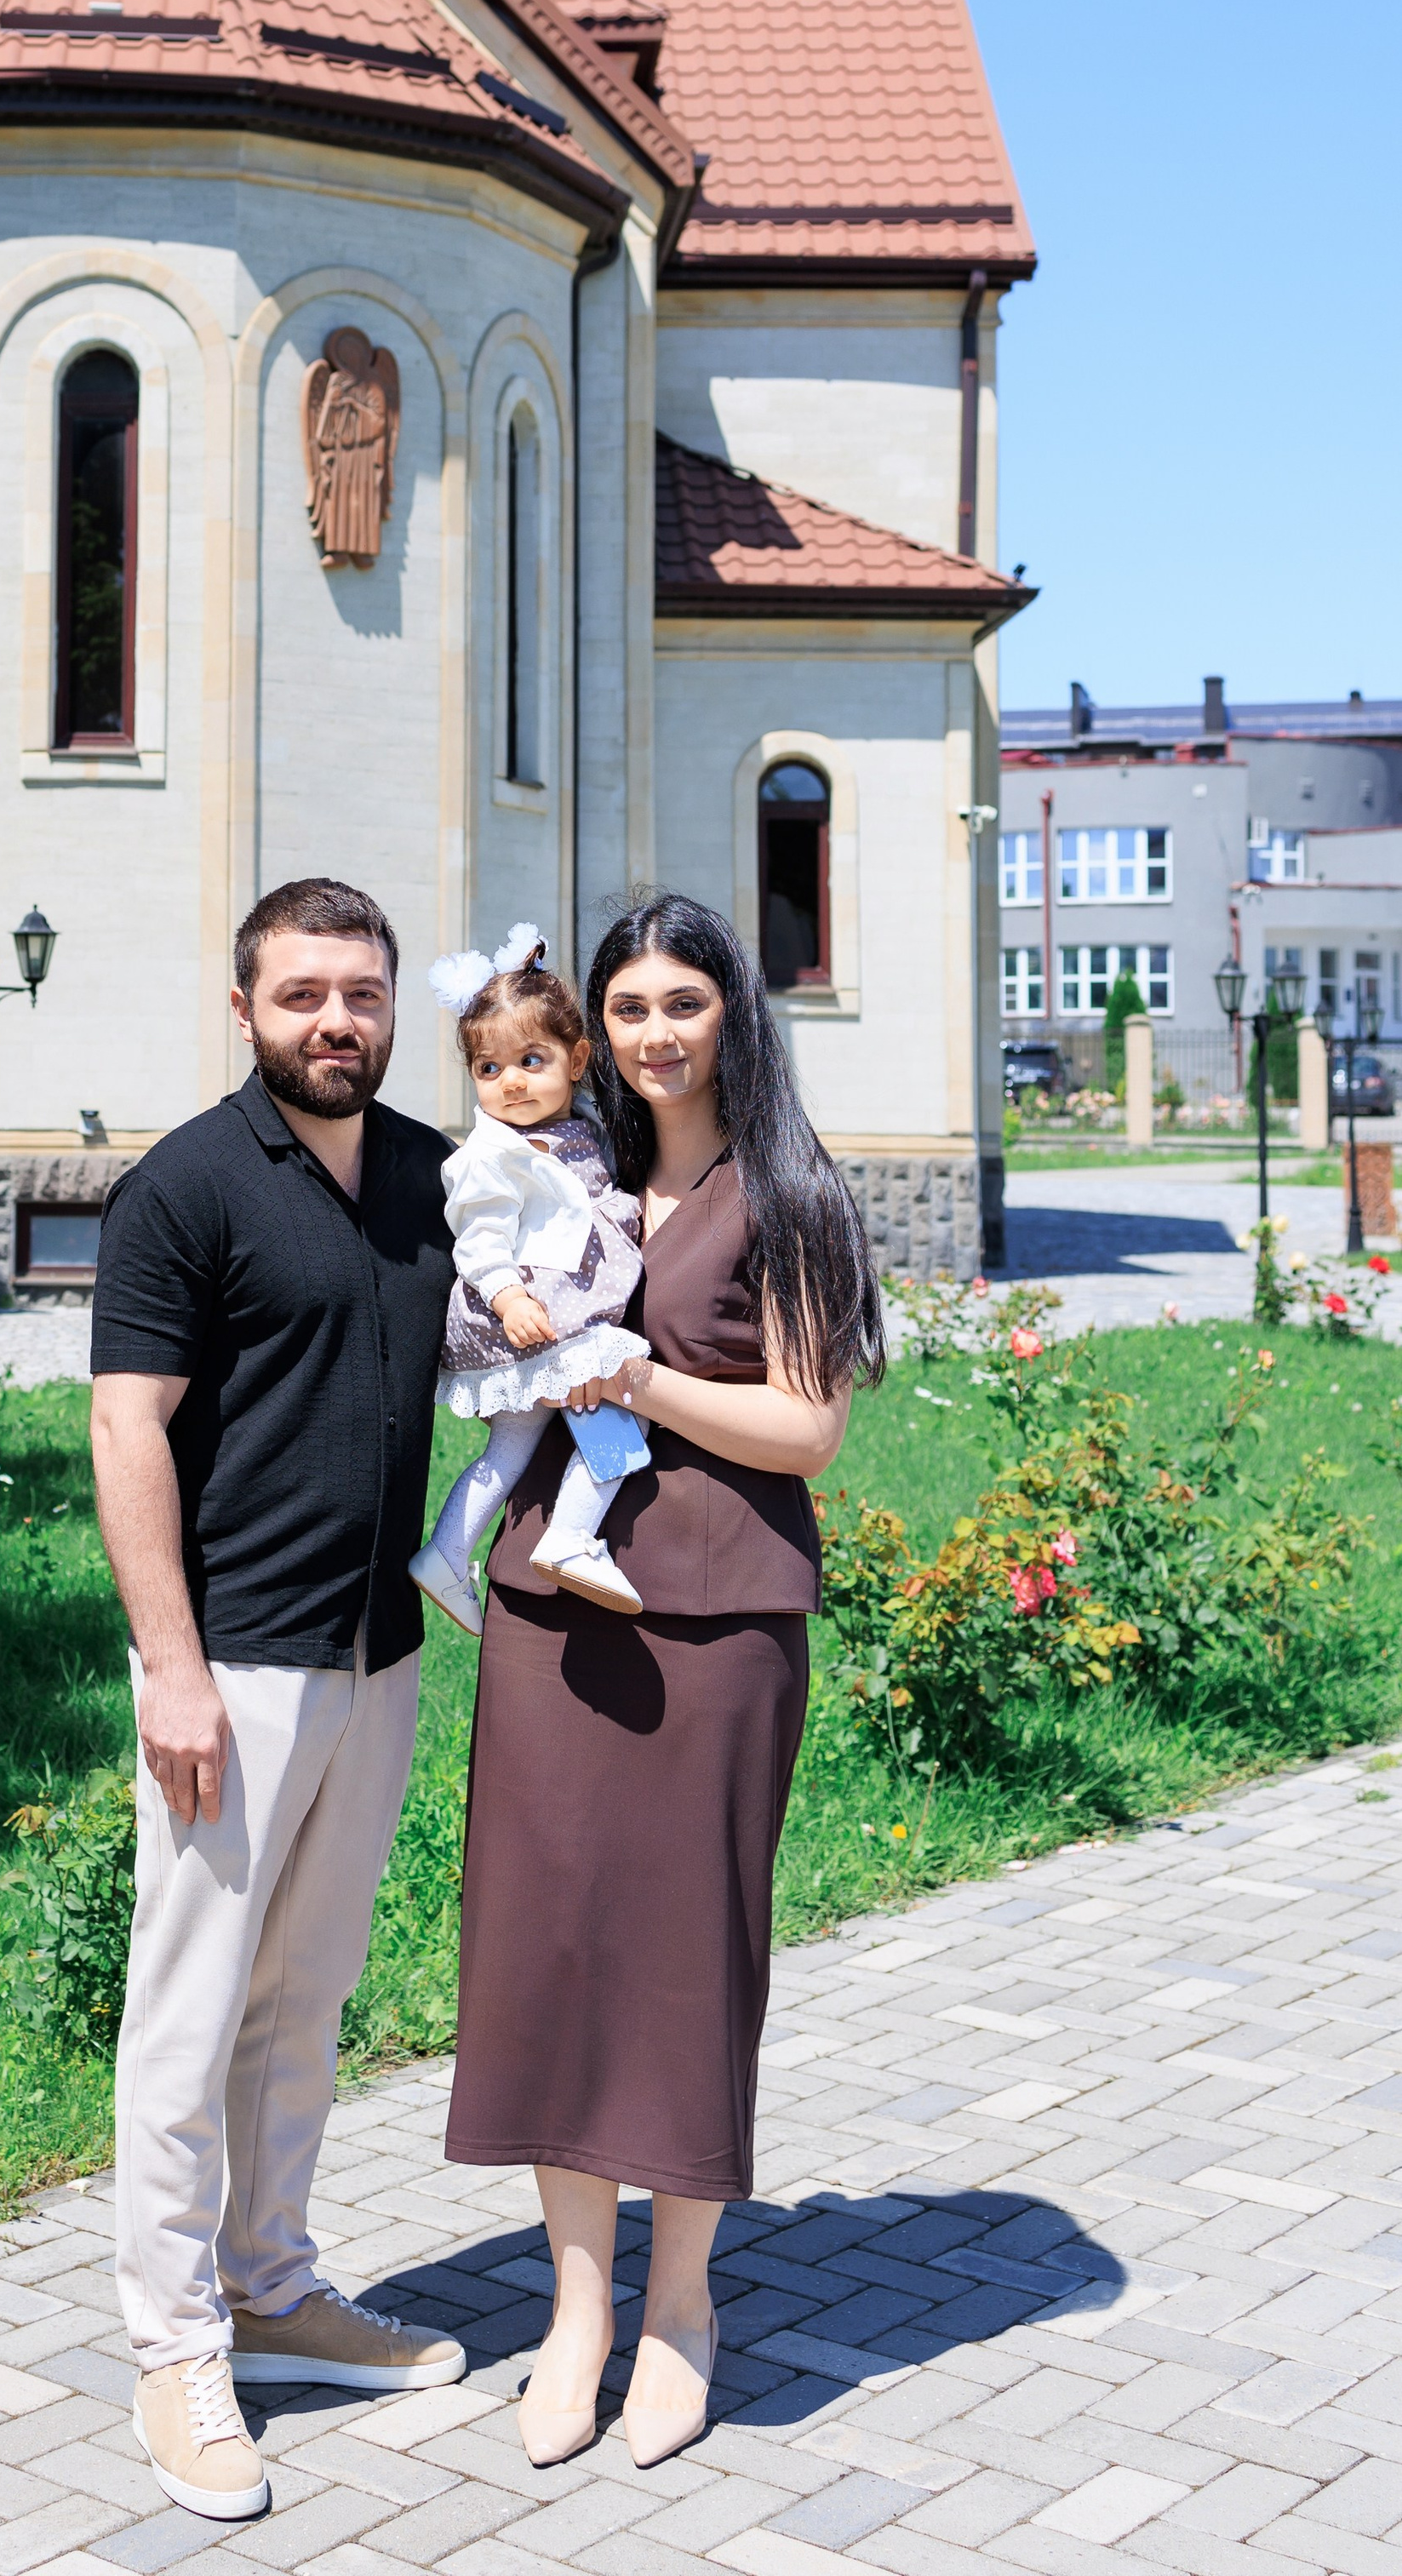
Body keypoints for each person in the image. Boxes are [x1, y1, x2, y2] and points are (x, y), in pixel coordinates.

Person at [443, 890, 884, 2473]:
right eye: (625, 1008)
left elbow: (809, 1430)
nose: (651, 1034)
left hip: (720, 1614)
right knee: (551, 1945)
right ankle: (573, 2310)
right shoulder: (566, 1163)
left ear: (730, 1015)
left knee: (690, 1958)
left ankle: (683, 2309)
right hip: (559, 1614)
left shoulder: (789, 1190)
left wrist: (648, 1383)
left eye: (680, 1004)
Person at [89, 878, 469, 2522]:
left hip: (374, 1655)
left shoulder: (429, 1179)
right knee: (187, 2016)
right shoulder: (181, 1189)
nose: (338, 1021)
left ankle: (274, 2285)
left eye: (364, 994)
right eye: (305, 993)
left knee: (305, 1998)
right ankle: (176, 2350)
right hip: (229, 1666)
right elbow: (125, 1432)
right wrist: (168, 1667)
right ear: (243, 1008)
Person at [410, 925, 653, 1630]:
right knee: (623, 1416)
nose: (510, 1081)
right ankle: (573, 1535)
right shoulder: (492, 1155)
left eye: (531, 1060)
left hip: (548, 1318)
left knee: (509, 1447)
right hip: (535, 1319)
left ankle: (447, 1556)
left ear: (578, 1060)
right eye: (490, 1069)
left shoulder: (577, 1127)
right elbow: (479, 1238)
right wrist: (508, 1295)